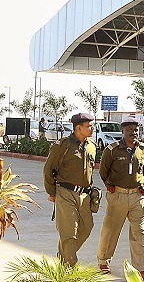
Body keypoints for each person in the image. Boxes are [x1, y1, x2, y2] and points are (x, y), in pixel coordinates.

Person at [96, 117, 144, 281]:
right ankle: (103, 261)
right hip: (118, 195)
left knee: (139, 232)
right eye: (129, 130)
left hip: (137, 196)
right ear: (123, 132)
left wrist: (140, 183)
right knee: (111, 229)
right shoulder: (112, 150)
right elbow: (103, 171)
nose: (133, 133)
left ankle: (141, 268)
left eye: (136, 130)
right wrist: (110, 185)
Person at [42, 113, 97, 267]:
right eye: (89, 126)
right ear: (78, 128)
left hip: (85, 195)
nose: (92, 128)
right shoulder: (62, 145)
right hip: (65, 192)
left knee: (86, 228)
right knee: (68, 232)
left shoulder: (91, 146)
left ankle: (64, 254)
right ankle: (69, 267)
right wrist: (51, 192)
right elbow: (48, 170)